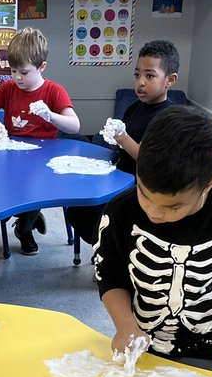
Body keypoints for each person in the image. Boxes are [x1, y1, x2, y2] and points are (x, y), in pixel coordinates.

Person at [94, 104, 212, 371]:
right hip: (138, 343)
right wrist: (126, 326)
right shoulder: (121, 211)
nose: (153, 212)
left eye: (172, 207)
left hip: (205, 346)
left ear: (208, 184)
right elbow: (109, 272)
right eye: (144, 193)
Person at [0, 27, 80, 256]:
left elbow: (75, 125)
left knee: (37, 185)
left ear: (41, 67)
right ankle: (29, 214)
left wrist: (51, 115)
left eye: (24, 72)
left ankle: (24, 227)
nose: (17, 77)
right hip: (12, 156)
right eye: (13, 71)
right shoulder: (9, 88)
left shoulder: (54, 91)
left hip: (44, 159)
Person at [66, 39, 181, 247]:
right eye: (137, 75)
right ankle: (107, 250)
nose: (141, 82)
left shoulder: (169, 117)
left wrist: (122, 137)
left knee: (108, 218)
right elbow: (122, 149)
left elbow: (148, 158)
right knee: (77, 209)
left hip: (144, 190)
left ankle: (116, 252)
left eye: (150, 75)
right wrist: (114, 140)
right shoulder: (133, 108)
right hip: (119, 177)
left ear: (170, 80)